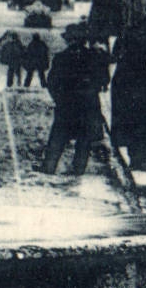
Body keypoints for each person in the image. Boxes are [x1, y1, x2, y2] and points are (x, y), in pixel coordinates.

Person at [42, 22, 106, 175]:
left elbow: (52, 82)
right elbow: (103, 79)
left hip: (66, 105)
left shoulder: (61, 58)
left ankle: (49, 167)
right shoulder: (94, 57)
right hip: (87, 105)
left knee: (58, 137)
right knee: (84, 139)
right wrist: (91, 91)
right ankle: (78, 169)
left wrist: (59, 98)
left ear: (68, 40)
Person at [110, 19, 146, 171]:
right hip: (141, 95)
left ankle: (138, 160)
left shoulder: (128, 52)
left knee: (132, 128)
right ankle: (144, 160)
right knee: (142, 128)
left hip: (131, 95)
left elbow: (115, 59)